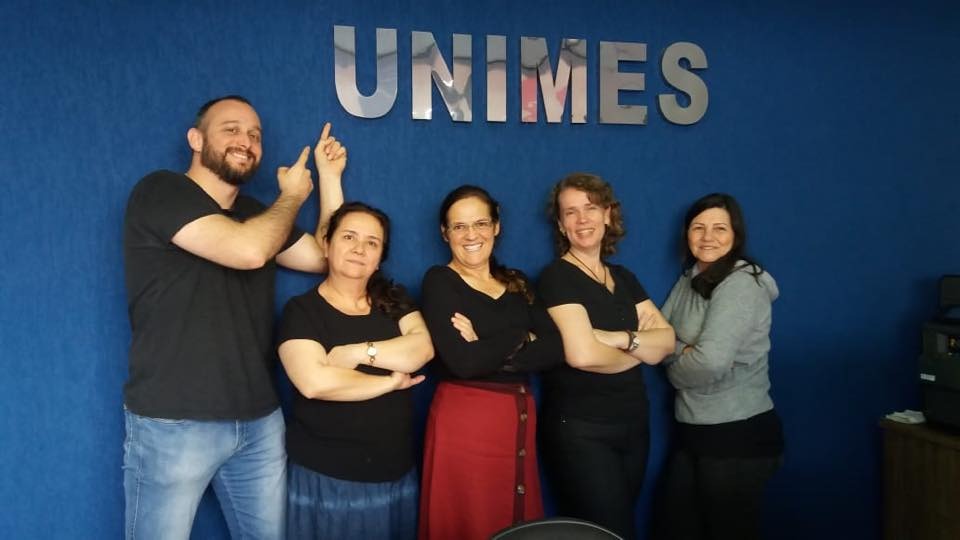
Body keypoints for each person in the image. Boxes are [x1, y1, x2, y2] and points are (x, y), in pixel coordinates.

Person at [122, 95, 346, 540]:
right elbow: (248, 251)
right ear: (195, 139)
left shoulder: (256, 216)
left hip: (259, 423)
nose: (246, 141)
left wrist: (329, 179)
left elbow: (328, 258)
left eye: (255, 135)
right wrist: (292, 196)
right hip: (174, 423)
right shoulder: (160, 191)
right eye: (231, 129)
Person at [277, 202, 434, 540]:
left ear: (380, 257)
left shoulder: (394, 299)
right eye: (349, 237)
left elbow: (421, 350)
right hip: (329, 476)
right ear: (326, 244)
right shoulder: (301, 311)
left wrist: (357, 353)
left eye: (372, 242)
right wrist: (391, 381)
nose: (360, 249)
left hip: (395, 471)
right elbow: (314, 382)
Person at [418, 185, 564, 539]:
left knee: (514, 526)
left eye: (481, 223)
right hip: (465, 422)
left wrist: (483, 343)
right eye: (459, 226)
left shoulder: (517, 283)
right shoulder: (440, 281)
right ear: (445, 233)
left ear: (496, 227)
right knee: (466, 521)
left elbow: (555, 348)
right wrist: (520, 335)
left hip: (518, 422)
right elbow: (462, 363)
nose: (472, 235)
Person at [536, 172, 674, 540]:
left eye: (591, 208)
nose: (582, 219)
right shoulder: (556, 277)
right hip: (581, 431)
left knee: (618, 529)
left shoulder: (624, 278)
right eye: (570, 212)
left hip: (633, 425)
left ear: (608, 214)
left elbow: (667, 340)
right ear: (561, 225)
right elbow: (582, 355)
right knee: (610, 533)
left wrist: (617, 339)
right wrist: (641, 349)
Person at [657, 193, 784, 540]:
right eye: (698, 227)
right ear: (686, 233)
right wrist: (684, 351)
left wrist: (674, 366)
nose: (707, 237)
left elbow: (709, 362)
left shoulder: (741, 283)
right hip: (694, 432)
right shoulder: (690, 277)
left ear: (736, 235)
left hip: (738, 436)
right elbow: (658, 336)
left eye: (719, 228)